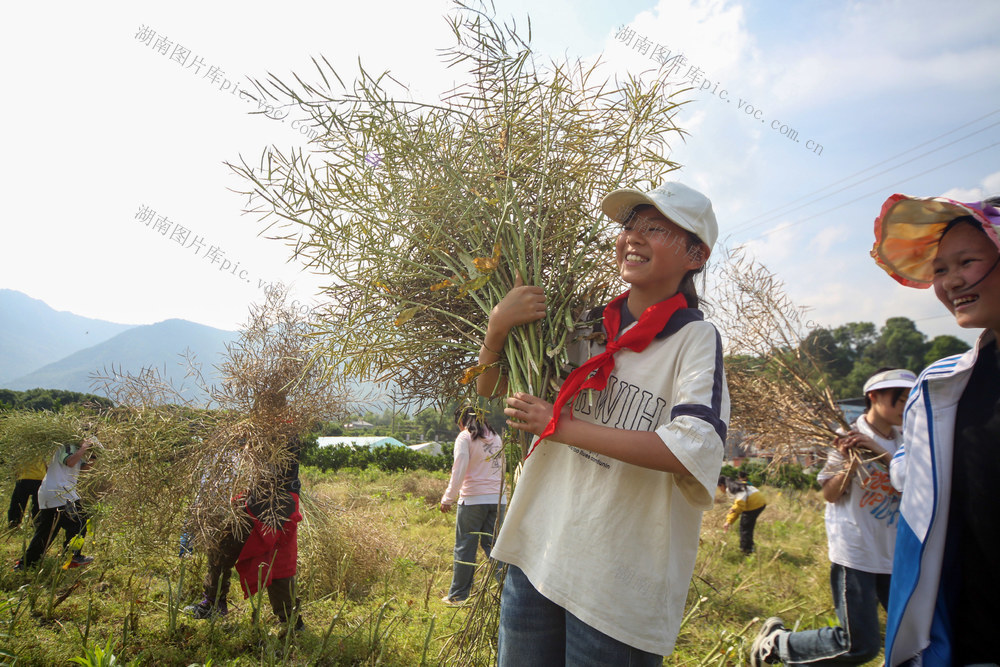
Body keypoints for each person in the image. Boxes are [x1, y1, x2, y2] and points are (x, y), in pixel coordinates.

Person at [477, 181, 729, 665]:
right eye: (630, 225)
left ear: (695, 255)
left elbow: (691, 448)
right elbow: (491, 391)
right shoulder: (580, 328)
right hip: (537, 556)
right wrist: (497, 328)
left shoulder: (694, 340)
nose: (633, 237)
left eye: (655, 229)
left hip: (617, 589)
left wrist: (559, 425)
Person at [869, 193, 1000, 666]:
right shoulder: (942, 388)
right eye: (940, 269)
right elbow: (920, 477)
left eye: (967, 261)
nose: (950, 282)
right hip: (970, 637)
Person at [750, 367, 916, 666]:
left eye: (909, 400)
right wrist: (849, 465)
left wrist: (881, 452)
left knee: (912, 636)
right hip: (857, 552)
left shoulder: (906, 439)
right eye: (901, 400)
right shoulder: (847, 436)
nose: (906, 408)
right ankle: (776, 644)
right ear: (874, 396)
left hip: (896, 553)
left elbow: (915, 488)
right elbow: (829, 494)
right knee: (859, 645)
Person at [185, 390, 303, 631]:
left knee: (276, 562)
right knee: (221, 547)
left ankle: (290, 622)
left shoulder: (287, 433)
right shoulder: (259, 430)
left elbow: (268, 462)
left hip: (278, 506)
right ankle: (213, 604)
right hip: (252, 500)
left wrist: (250, 442)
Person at [439, 405, 507, 605]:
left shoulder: (465, 437)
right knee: (495, 547)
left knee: (465, 546)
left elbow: (458, 469)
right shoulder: (496, 437)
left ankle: (458, 595)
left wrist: (447, 498)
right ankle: (509, 593)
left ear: (461, 421)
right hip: (497, 499)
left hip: (473, 500)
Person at [17, 436, 96, 570]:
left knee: (46, 531)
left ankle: (26, 563)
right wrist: (84, 447)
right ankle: (72, 556)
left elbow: (82, 467)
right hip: (60, 493)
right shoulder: (67, 445)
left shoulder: (75, 450)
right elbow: (70, 462)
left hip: (52, 493)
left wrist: (94, 456)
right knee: (80, 521)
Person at [718, 475, 767, 555]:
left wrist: (731, 515)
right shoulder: (736, 484)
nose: (720, 490)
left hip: (754, 504)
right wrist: (729, 521)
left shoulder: (731, 488)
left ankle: (746, 550)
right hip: (759, 502)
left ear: (721, 485)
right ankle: (748, 547)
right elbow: (737, 507)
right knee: (746, 526)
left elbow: (739, 504)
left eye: (719, 487)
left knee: (745, 527)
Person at [7, 457, 47, 529]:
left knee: (17, 504)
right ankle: (37, 523)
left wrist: (16, 474)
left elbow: (14, 464)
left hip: (24, 478)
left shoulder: (22, 447)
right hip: (40, 478)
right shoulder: (43, 448)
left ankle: (14, 524)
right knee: (38, 505)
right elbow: (46, 463)